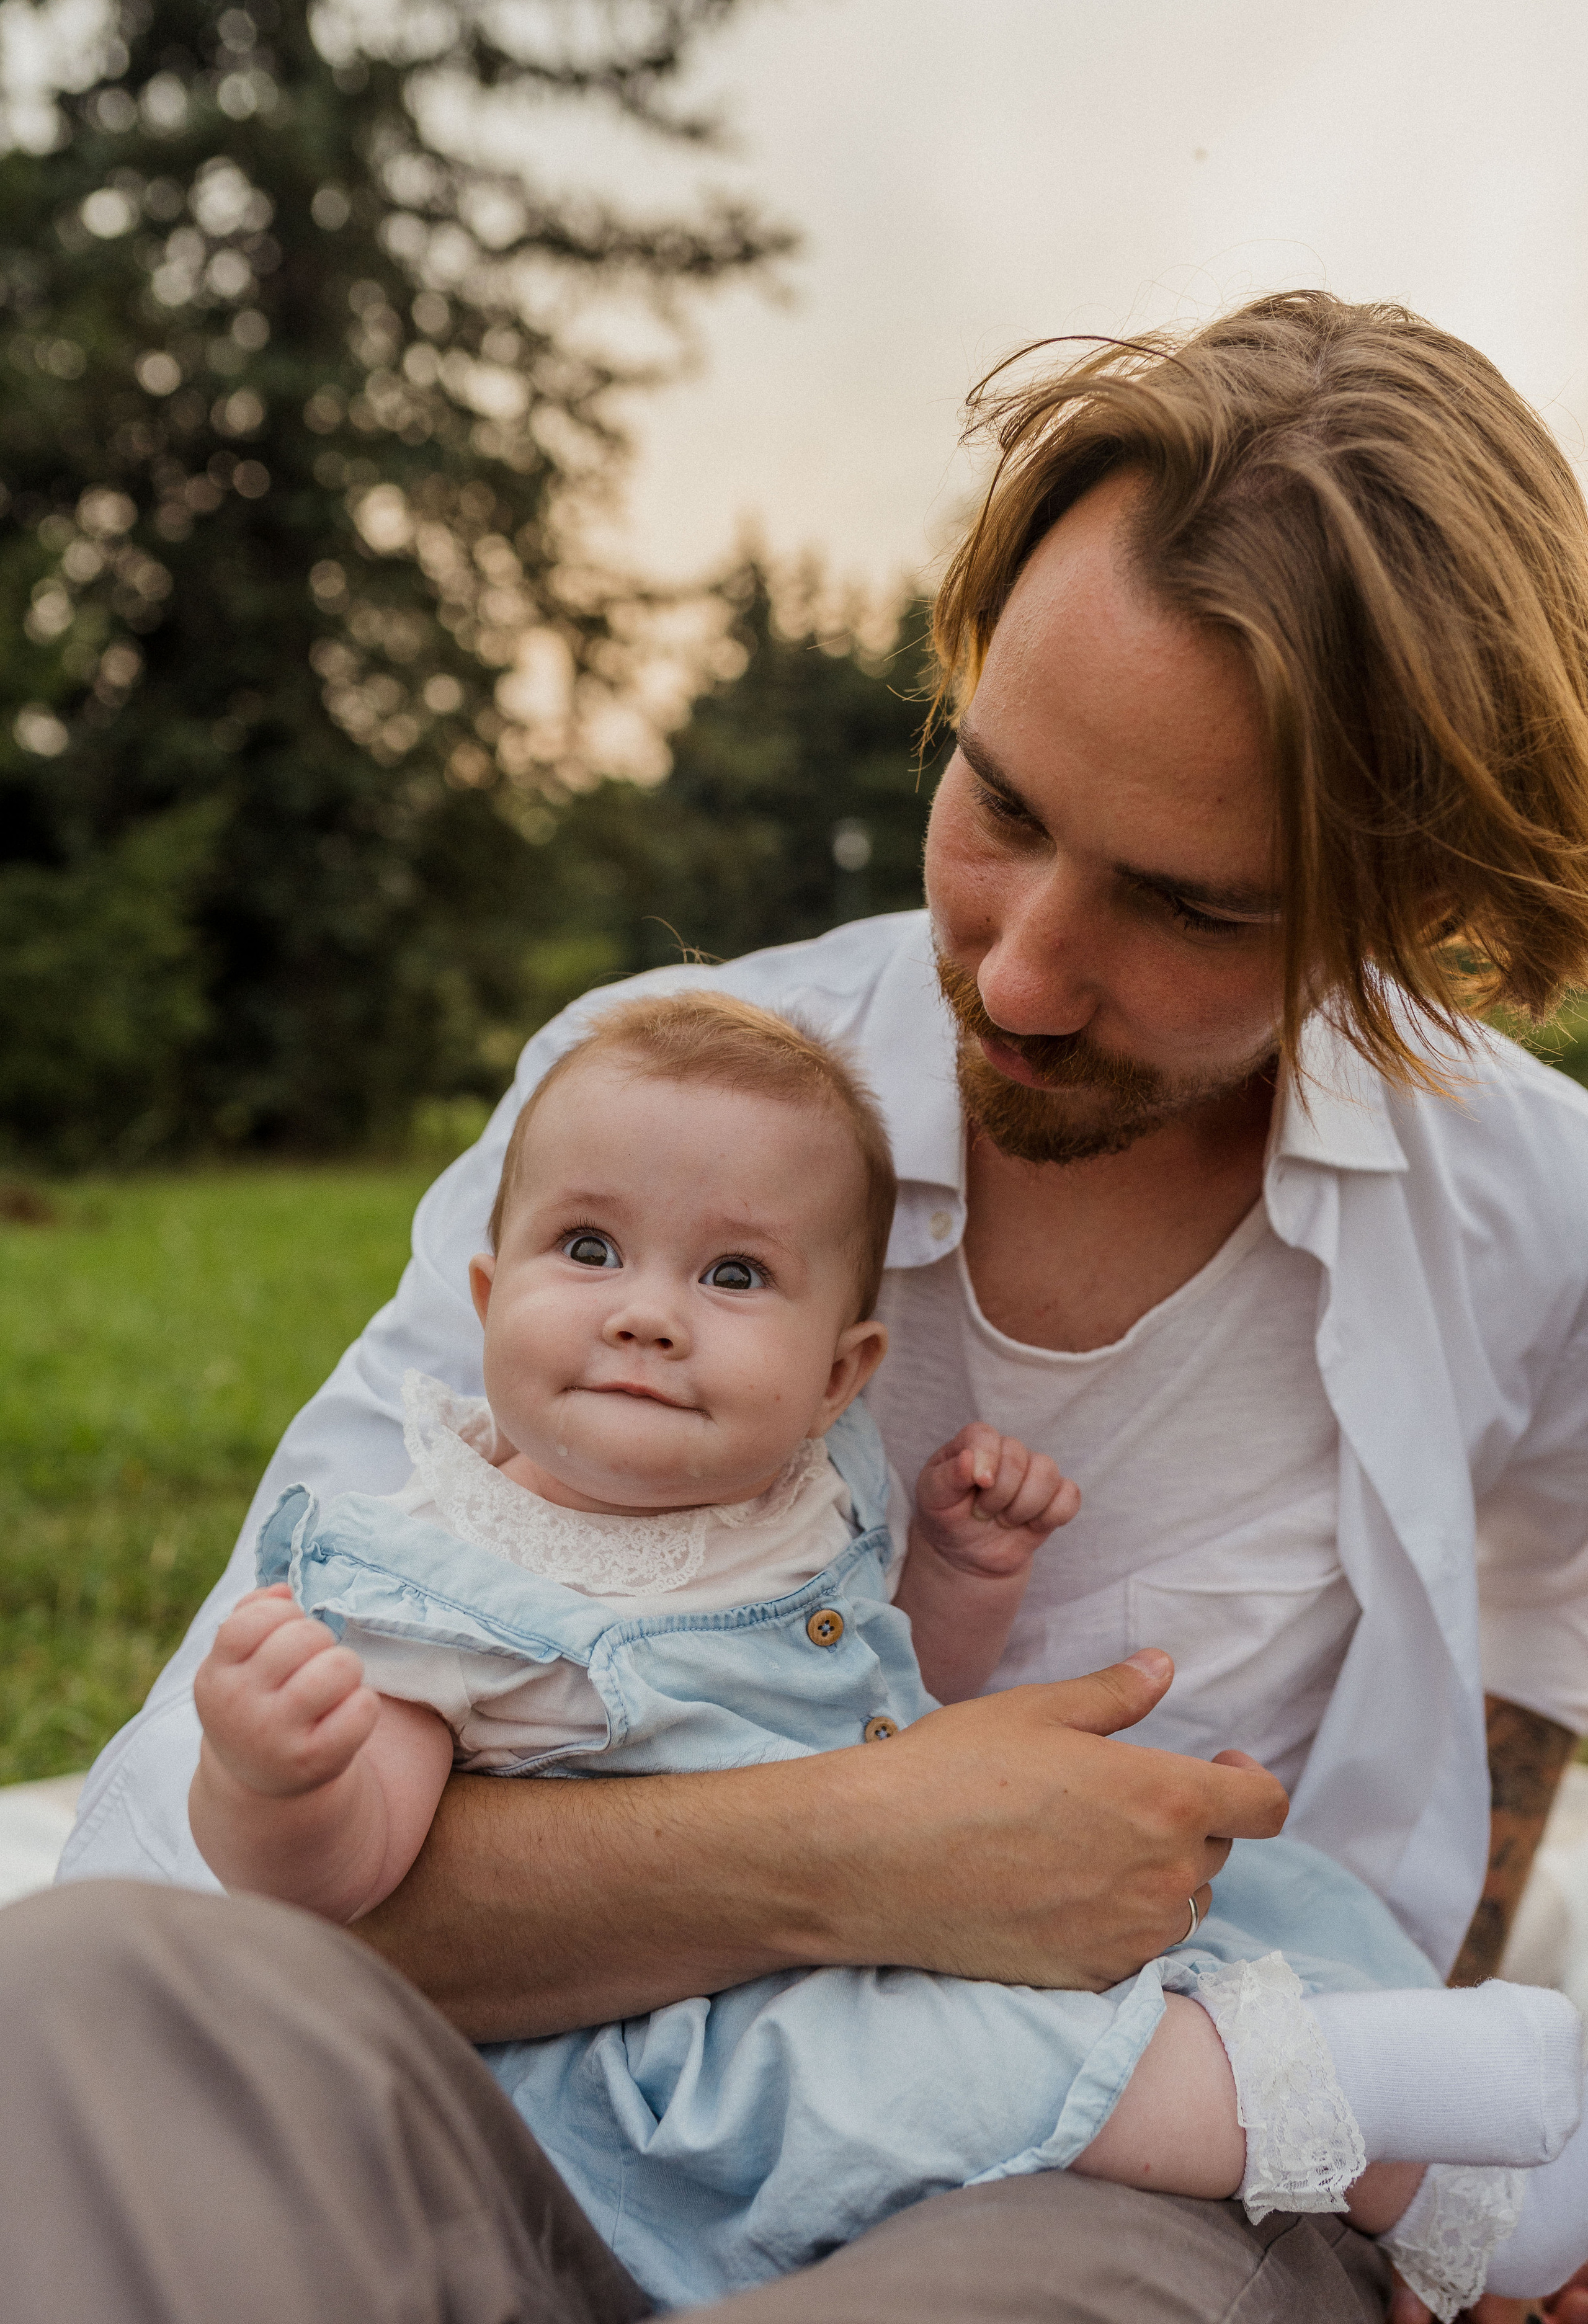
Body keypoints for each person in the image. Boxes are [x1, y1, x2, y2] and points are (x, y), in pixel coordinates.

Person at [38, 291, 1588, 2324]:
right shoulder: (659, 1119)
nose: (1024, 972)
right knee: (79, 2003)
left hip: (1105, 2160)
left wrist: (1452, 2157)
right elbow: (191, 1851)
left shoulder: (1528, 1215)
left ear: (1415, 913)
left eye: (1193, 904)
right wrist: (861, 1847)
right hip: (540, 2103)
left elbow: (1531, 1663)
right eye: (1003, 806)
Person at [184, 989, 1588, 2321]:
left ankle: (1460, 2147)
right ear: (485, 1295)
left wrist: (959, 1577)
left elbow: (903, 1701)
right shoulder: (434, 1569)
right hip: (698, 2042)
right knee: (938, 2065)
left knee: (1277, 1895)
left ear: (840, 1372)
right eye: (589, 1250)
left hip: (904, 1942)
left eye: (732, 1274)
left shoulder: (800, 1503)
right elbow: (349, 1884)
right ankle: (1366, 2135)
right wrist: (277, 1773)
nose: (646, 1311)